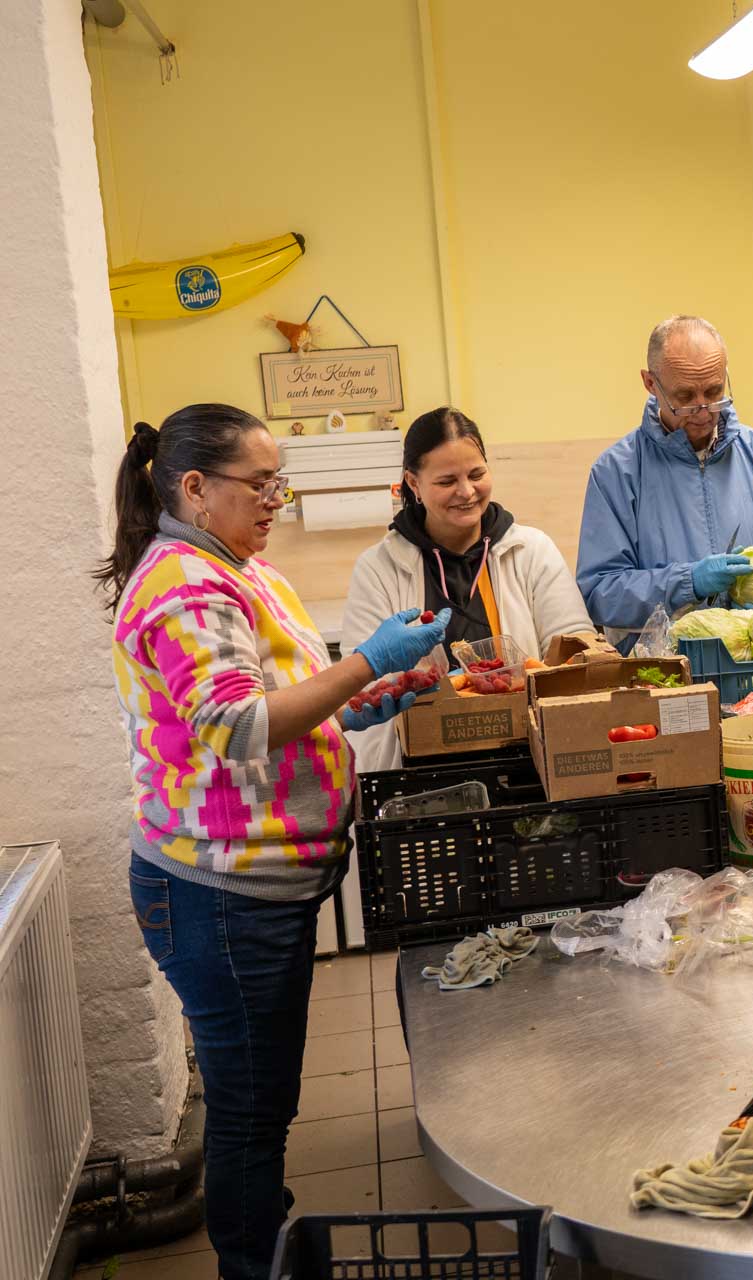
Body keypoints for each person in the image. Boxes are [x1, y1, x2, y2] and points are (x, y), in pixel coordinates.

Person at [99, 405, 448, 1280]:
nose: (276, 502)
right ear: (193, 488)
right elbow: (236, 727)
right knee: (253, 1111)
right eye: (261, 487)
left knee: (262, 1100)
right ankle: (252, 1265)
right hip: (218, 897)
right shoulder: (184, 583)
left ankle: (265, 1242)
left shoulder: (237, 567)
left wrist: (366, 699)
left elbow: (285, 695)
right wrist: (365, 661)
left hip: (258, 888)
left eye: (277, 483)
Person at [342, 406, 591, 770]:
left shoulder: (531, 551)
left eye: (477, 474)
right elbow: (362, 684)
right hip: (422, 768)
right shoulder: (379, 568)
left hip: (527, 760)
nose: (467, 491)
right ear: (414, 484)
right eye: (446, 482)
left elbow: (573, 649)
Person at [577, 315, 753, 649]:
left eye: (714, 391)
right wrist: (687, 583)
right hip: (671, 675)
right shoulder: (616, 473)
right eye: (685, 396)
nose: (702, 410)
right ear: (650, 383)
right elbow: (600, 591)